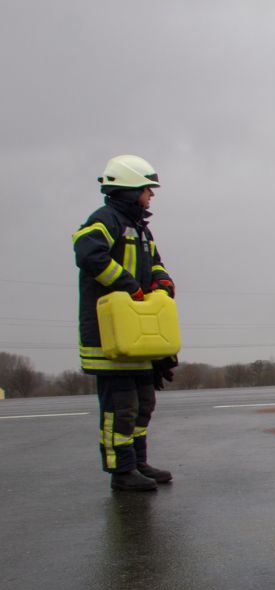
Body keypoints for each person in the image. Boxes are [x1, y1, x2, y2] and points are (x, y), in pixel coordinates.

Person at [72, 155, 177, 492]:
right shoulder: (105, 220)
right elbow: (88, 253)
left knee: (144, 402)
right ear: (131, 189)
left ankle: (138, 461)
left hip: (136, 336)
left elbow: (155, 263)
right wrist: (128, 285)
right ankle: (121, 470)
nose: (151, 195)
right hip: (110, 336)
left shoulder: (141, 229)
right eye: (148, 189)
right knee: (120, 407)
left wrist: (162, 283)